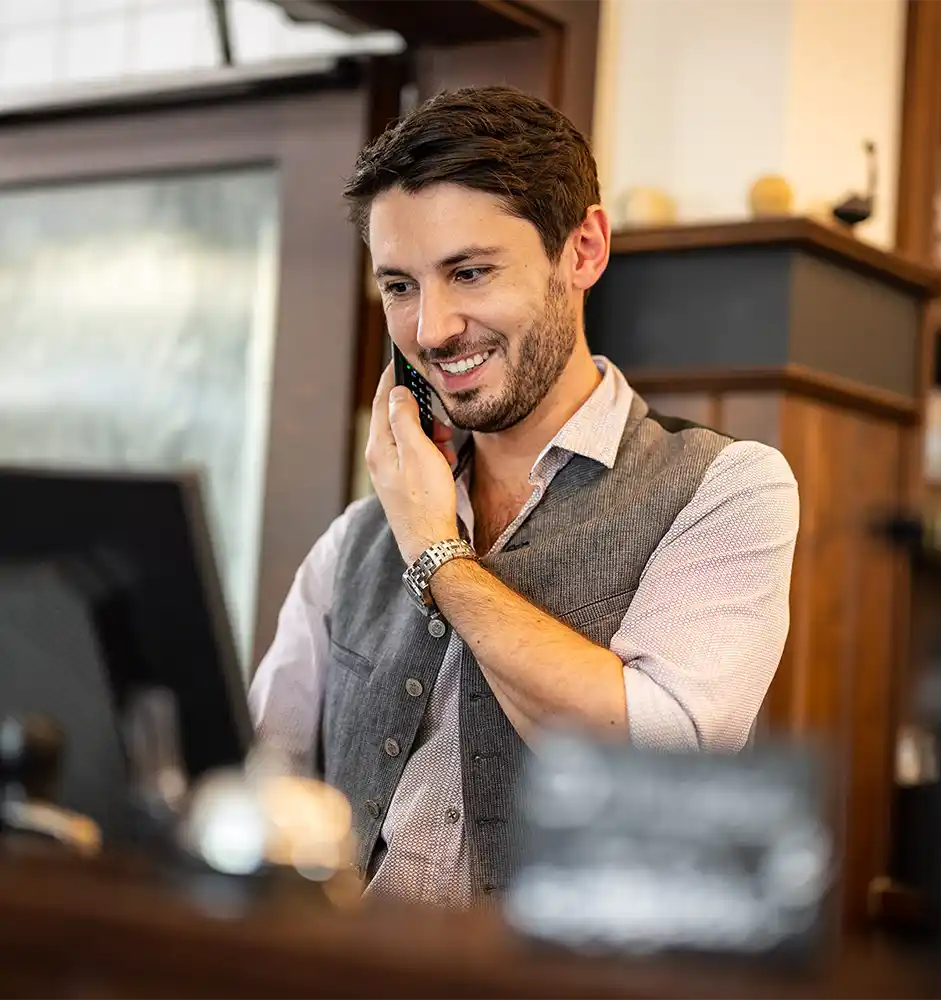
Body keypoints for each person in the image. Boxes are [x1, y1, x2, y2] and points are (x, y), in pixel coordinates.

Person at [249, 85, 799, 908]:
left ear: (583, 250)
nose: (432, 329)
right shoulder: (359, 536)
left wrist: (439, 554)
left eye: (469, 272)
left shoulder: (726, 488)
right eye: (399, 286)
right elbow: (264, 777)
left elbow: (663, 755)